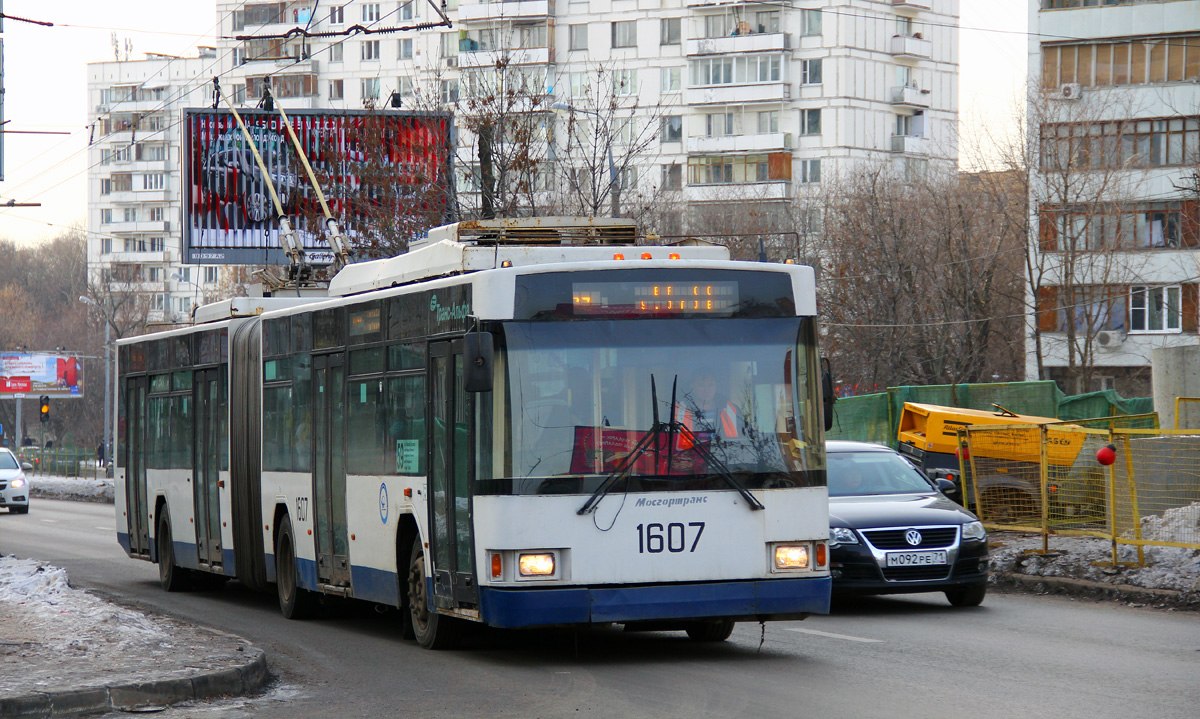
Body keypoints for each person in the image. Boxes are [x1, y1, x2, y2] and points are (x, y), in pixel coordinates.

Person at [675, 372, 742, 448]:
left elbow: (744, 442)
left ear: (716, 386)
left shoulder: (732, 410)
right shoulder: (678, 411)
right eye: (701, 385)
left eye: (710, 385)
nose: (706, 390)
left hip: (726, 458)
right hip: (688, 458)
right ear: (692, 387)